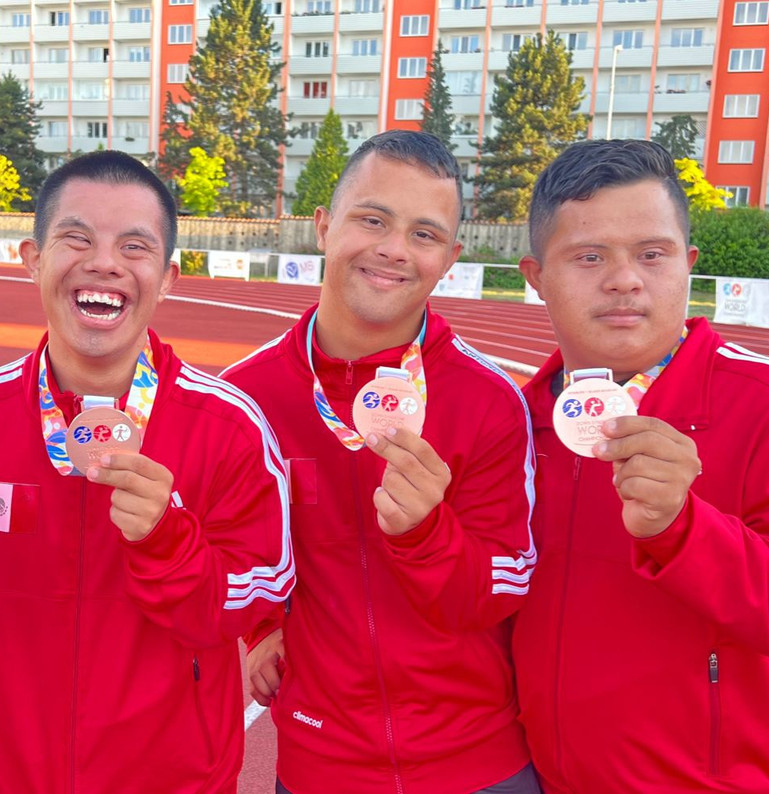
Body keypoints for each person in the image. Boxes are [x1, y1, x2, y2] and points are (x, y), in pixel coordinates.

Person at [0, 150, 293, 794]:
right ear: (32, 259)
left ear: (168, 276)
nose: (104, 263)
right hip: (6, 780)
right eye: (77, 238)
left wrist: (168, 542)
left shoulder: (231, 428)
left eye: (134, 246)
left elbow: (252, 603)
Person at [513, 138, 769, 792]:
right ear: (536, 278)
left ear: (687, 264)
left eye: (652, 254)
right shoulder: (516, 422)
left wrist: (684, 532)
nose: (625, 279)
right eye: (589, 257)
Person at [223, 130, 538, 793]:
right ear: (323, 226)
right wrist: (258, 629)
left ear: (449, 258)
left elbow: (502, 591)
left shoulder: (491, 401)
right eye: (373, 220)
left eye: (424, 234)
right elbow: (234, 556)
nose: (394, 249)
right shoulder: (243, 400)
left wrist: (427, 535)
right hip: (320, 762)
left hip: (477, 765)